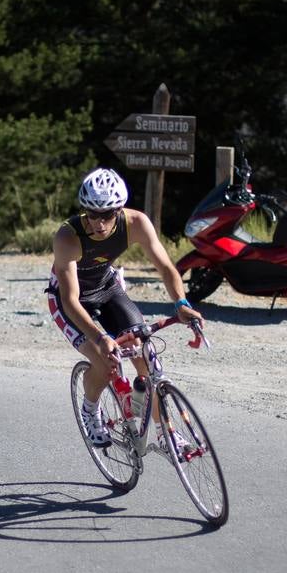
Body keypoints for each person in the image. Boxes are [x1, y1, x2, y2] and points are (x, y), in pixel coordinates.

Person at [46, 167, 204, 448]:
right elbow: (70, 300)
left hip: (106, 287)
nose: (99, 223)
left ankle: (165, 433)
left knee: (144, 355)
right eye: (92, 214)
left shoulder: (136, 223)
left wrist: (181, 303)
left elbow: (166, 268)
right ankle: (90, 409)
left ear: (119, 210)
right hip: (70, 300)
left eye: (107, 215)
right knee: (104, 361)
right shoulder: (68, 237)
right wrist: (100, 338)